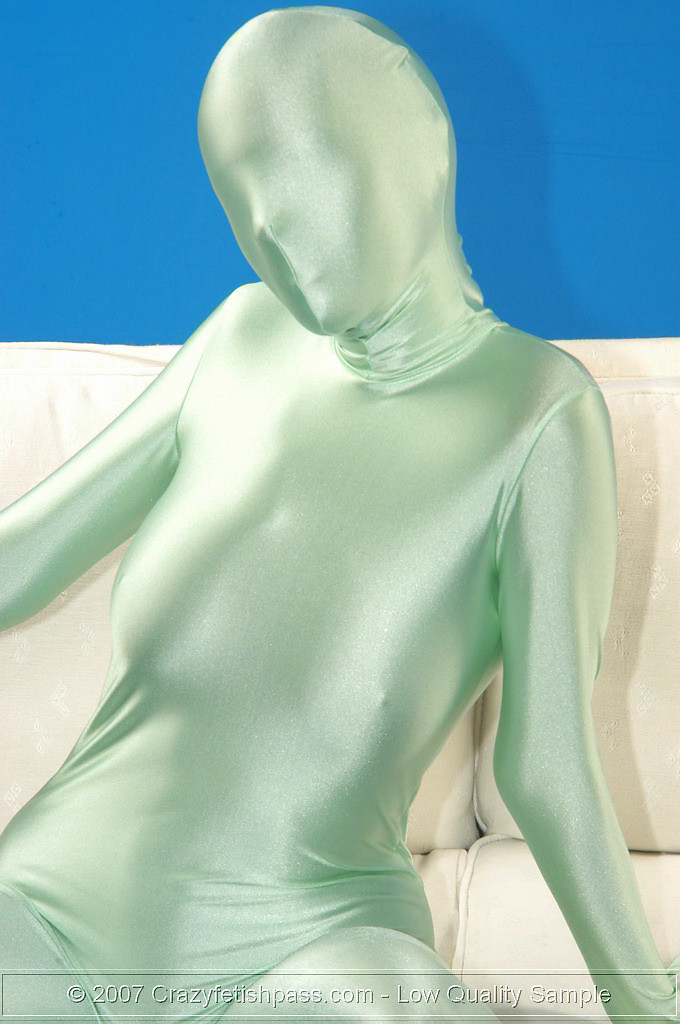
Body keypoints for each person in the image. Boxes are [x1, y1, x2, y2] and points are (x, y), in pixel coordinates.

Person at [0, 6, 677, 1022]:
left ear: (419, 148)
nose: (267, 225)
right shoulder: (237, 339)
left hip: (305, 944)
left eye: (297, 166)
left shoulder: (537, 410)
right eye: (236, 195)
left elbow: (544, 762)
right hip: (46, 915)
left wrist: (644, 1005)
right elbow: (14, 567)